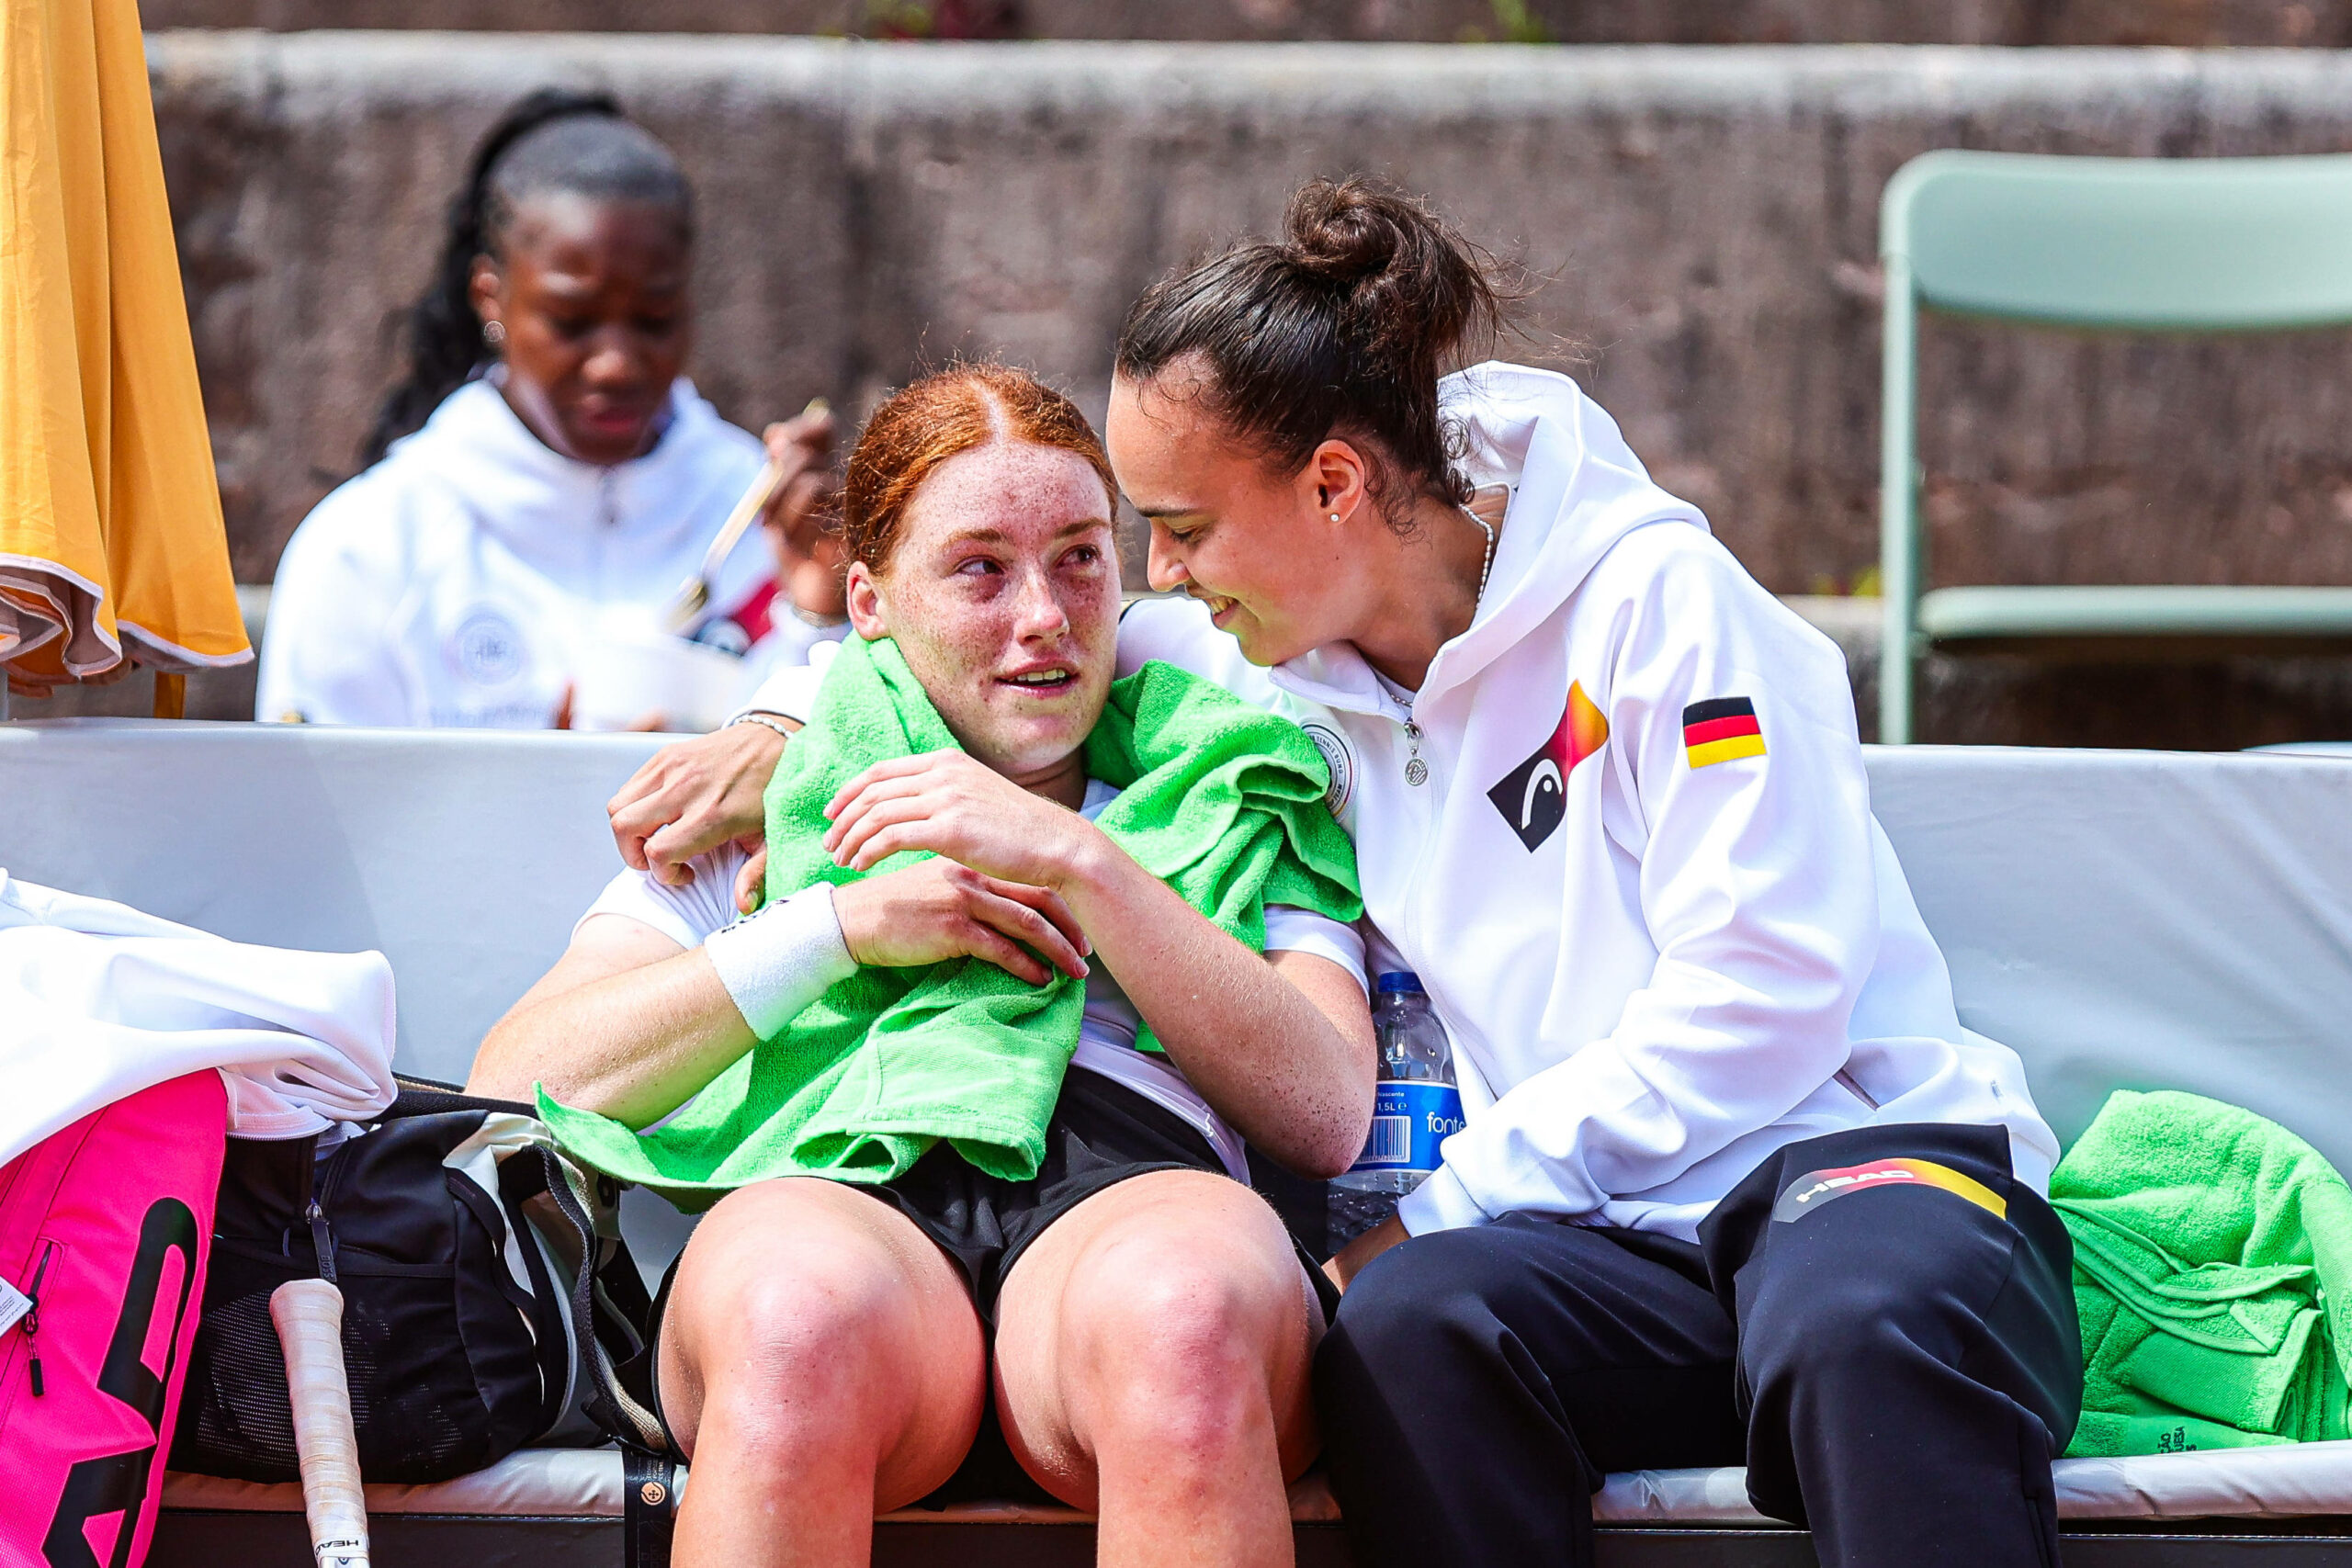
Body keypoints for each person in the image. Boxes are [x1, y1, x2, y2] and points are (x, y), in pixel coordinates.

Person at [611, 178, 2083, 1568]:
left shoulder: (1670, 610)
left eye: (1180, 529)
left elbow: (1769, 997)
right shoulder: (1272, 656)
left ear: (1330, 485)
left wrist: (1436, 1213)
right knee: (1409, 1339)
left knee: (1856, 1322)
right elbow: (980, 635)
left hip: (1852, 1171)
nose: (1160, 579)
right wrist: (783, 719)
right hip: (1596, 1240)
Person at [469, 363, 1374, 1568]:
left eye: (1078, 558)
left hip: (1130, 1199)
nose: (1044, 613)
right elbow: (519, 1076)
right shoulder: (768, 806)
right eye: (980, 567)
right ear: (871, 600)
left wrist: (1086, 864)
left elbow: (1324, 1106)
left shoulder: (1233, 777)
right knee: (791, 1320)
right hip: (843, 1200)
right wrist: (835, 929)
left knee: (1187, 1315)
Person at [255, 88, 847, 730]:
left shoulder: (762, 517)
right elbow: (318, 819)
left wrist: (825, 614)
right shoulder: (370, 546)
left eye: (654, 319)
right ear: (492, 298)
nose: (616, 363)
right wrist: (549, 783)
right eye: (572, 321)